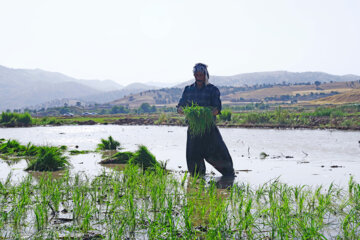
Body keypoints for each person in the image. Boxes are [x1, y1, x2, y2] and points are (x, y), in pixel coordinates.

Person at [177, 63, 235, 177]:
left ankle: (229, 174)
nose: (199, 77)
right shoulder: (188, 89)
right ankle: (198, 181)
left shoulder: (212, 90)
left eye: (201, 75)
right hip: (194, 129)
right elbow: (180, 107)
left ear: (206, 75)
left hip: (209, 129)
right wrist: (185, 112)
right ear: (194, 75)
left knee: (219, 154)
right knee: (193, 158)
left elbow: (217, 109)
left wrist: (205, 114)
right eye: (197, 75)